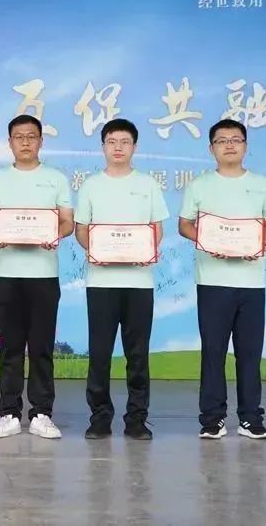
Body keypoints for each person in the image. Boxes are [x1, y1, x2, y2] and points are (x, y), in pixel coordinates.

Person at [177, 119, 266, 440]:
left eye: (236, 139)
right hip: (212, 280)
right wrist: (208, 242)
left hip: (252, 282)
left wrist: (257, 244)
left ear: (246, 146)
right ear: (211, 149)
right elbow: (184, 224)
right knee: (213, 352)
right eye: (222, 140)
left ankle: (251, 418)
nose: (230, 145)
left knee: (250, 353)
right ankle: (212, 419)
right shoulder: (199, 185)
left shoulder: (262, 184)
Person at [0, 114, 74, 440]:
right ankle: (8, 413)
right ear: (9, 143)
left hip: (44, 275)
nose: (25, 142)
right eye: (18, 136)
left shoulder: (56, 179)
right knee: (10, 347)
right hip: (6, 274)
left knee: (41, 347)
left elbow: (67, 222)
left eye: (31, 136)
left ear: (40, 142)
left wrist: (55, 234)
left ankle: (41, 413)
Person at [75, 118, 168, 440]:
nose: (118, 147)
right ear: (103, 146)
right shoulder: (91, 185)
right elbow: (82, 230)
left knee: (137, 355)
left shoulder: (148, 185)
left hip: (139, 282)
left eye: (125, 142)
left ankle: (136, 419)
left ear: (134, 147)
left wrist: (143, 251)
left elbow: (157, 229)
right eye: (112, 141)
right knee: (100, 354)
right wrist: (98, 251)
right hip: (101, 282)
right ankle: (100, 417)